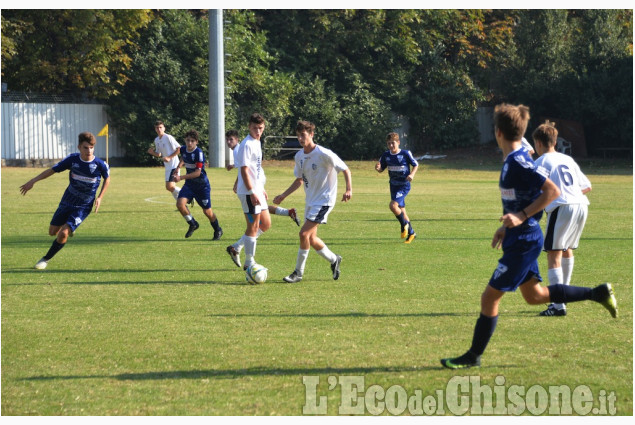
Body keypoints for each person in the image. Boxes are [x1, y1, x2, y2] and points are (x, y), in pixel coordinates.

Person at [440, 104, 617, 369]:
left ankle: (472, 356)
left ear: (498, 132)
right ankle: (597, 293)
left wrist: (521, 216)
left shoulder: (519, 162)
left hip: (524, 241)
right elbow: (523, 196)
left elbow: (552, 191)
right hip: (519, 236)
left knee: (489, 298)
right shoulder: (514, 159)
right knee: (534, 296)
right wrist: (507, 224)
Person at [273, 120, 352, 283]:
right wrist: (283, 196)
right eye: (298, 136)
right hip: (311, 201)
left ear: (311, 135)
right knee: (311, 238)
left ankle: (298, 273)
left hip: (324, 201)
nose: (301, 139)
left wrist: (348, 189)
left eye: (304, 135)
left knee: (303, 233)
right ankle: (334, 259)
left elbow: (345, 169)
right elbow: (299, 180)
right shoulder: (299, 156)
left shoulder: (323, 153)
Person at [19, 132, 111, 270]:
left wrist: (100, 197)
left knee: (63, 233)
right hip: (67, 201)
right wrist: (33, 181)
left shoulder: (100, 164)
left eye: (91, 147)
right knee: (52, 232)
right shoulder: (72, 160)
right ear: (79, 147)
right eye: (86, 147)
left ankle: (45, 259)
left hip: (84, 205)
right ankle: (69, 225)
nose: (89, 151)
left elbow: (107, 179)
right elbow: (52, 170)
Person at [533, 121, 592, 316]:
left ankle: (558, 304)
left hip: (562, 207)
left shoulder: (541, 162)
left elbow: (536, 189)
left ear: (538, 144)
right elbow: (587, 186)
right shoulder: (567, 160)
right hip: (581, 205)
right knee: (566, 250)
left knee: (553, 253)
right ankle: (563, 296)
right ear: (555, 141)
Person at [225, 129, 300, 230]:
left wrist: (236, 184)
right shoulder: (240, 148)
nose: (229, 142)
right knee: (260, 207)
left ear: (237, 139)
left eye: (231, 139)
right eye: (227, 140)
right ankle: (288, 212)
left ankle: (242, 242)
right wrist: (233, 166)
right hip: (258, 179)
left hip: (256, 179)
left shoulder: (240, 148)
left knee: (256, 214)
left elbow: (243, 170)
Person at [225, 114, 271, 271]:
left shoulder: (257, 142)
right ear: (249, 127)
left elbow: (255, 169)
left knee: (266, 224)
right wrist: (252, 192)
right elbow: (244, 170)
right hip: (248, 192)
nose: (258, 131)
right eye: (255, 128)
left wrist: (261, 188)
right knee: (253, 226)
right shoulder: (247, 144)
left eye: (261, 128)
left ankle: (236, 247)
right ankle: (249, 262)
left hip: (256, 190)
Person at [172, 129, 223, 240]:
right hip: (190, 185)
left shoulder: (198, 153)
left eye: (192, 141)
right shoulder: (184, 149)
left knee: (207, 212)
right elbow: (183, 157)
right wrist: (178, 167)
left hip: (202, 186)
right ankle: (193, 224)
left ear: (196, 142)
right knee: (180, 204)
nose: (189, 143)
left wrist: (180, 177)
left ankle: (217, 229)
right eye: (188, 140)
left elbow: (197, 173)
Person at [375, 132, 419, 243]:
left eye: (393, 143)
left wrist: (412, 174)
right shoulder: (386, 155)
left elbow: (416, 164)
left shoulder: (405, 153)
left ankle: (404, 224)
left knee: (393, 205)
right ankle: (411, 233)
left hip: (403, 185)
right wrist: (378, 168)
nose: (391, 146)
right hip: (393, 186)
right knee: (402, 211)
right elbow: (381, 169)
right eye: (389, 144)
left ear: (398, 142)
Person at [147, 120, 182, 201]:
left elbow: (179, 149)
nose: (159, 129)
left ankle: (187, 196)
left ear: (164, 128)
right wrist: (152, 153)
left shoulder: (168, 137)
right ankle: (181, 204)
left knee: (169, 186)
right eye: (157, 128)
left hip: (174, 165)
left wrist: (169, 157)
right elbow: (159, 154)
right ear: (155, 129)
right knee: (171, 187)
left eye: (160, 127)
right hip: (167, 166)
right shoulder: (157, 140)